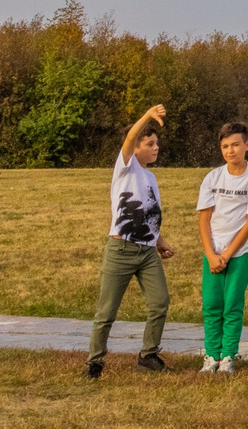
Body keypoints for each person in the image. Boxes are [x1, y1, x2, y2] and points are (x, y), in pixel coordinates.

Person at [86, 102, 173, 379]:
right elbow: (128, 139)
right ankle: (95, 363)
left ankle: (148, 355)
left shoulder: (150, 177)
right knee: (106, 311)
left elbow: (148, 214)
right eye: (149, 143)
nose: (155, 147)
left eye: (156, 143)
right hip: (120, 249)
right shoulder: (125, 167)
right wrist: (147, 114)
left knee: (160, 302)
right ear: (135, 148)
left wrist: (160, 242)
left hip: (146, 252)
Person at [194, 119, 248, 374]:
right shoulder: (213, 177)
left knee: (232, 303)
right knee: (212, 304)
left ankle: (227, 357)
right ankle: (211, 356)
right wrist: (211, 254)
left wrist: (227, 254)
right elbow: (204, 218)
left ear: (246, 145)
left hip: (239, 252)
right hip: (213, 252)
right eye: (225, 146)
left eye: (235, 145)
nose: (230, 151)